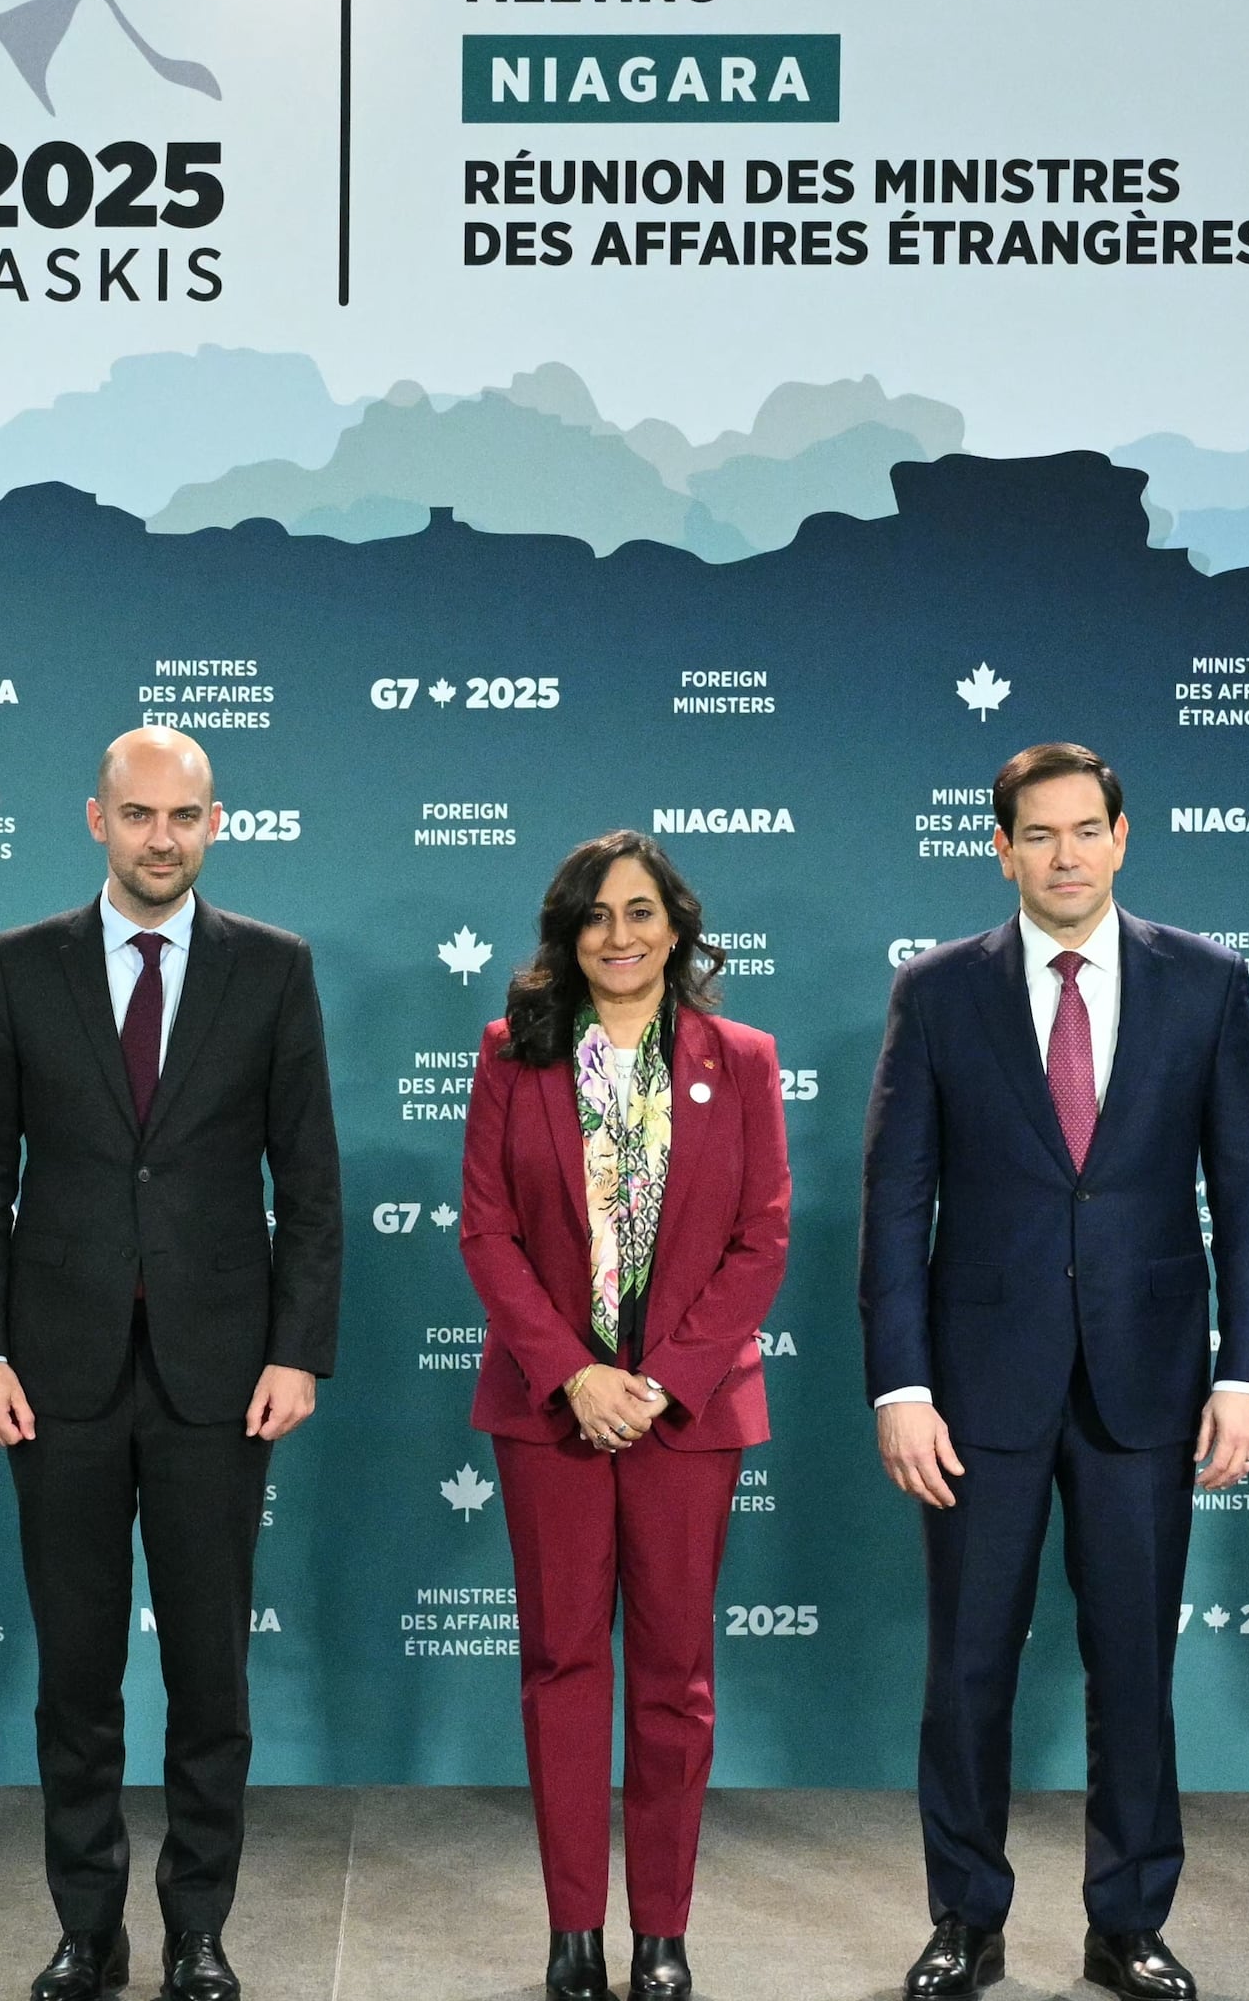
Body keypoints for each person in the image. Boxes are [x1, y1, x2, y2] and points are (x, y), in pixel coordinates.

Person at [860, 742, 1249, 2001]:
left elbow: (1248, 1195)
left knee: (1136, 1664)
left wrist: (1248, 1372)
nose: (1063, 855)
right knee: (970, 1664)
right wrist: (902, 1386)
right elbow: (894, 1206)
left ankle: (1128, 1922)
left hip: (1148, 1382)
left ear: (1123, 835)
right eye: (1036, 835)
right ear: (1000, 848)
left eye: (1084, 830)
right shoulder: (937, 993)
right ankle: (966, 1922)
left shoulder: (1204, 982)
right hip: (977, 1388)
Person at [0, 726, 343, 2001]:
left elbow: (314, 1187)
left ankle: (200, 1931)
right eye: (138, 814)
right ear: (95, 819)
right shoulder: (19, 966)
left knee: (212, 1674)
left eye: (185, 816)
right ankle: (87, 1927)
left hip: (221, 1378)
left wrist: (298, 1353)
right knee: (75, 1670)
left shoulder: (273, 970)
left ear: (215, 824)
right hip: (52, 1376)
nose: (161, 836)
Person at [458, 832, 793, 2001]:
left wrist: (660, 1380)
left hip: (685, 1416)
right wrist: (575, 1376)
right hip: (553, 1411)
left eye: (642, 912)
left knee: (674, 1673)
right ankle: (572, 1935)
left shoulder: (739, 1057)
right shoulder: (515, 1054)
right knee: (560, 1664)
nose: (621, 935)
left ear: (677, 927)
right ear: (568, 931)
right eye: (598, 915)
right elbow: (487, 1233)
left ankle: (662, 1933)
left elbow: (762, 1240)